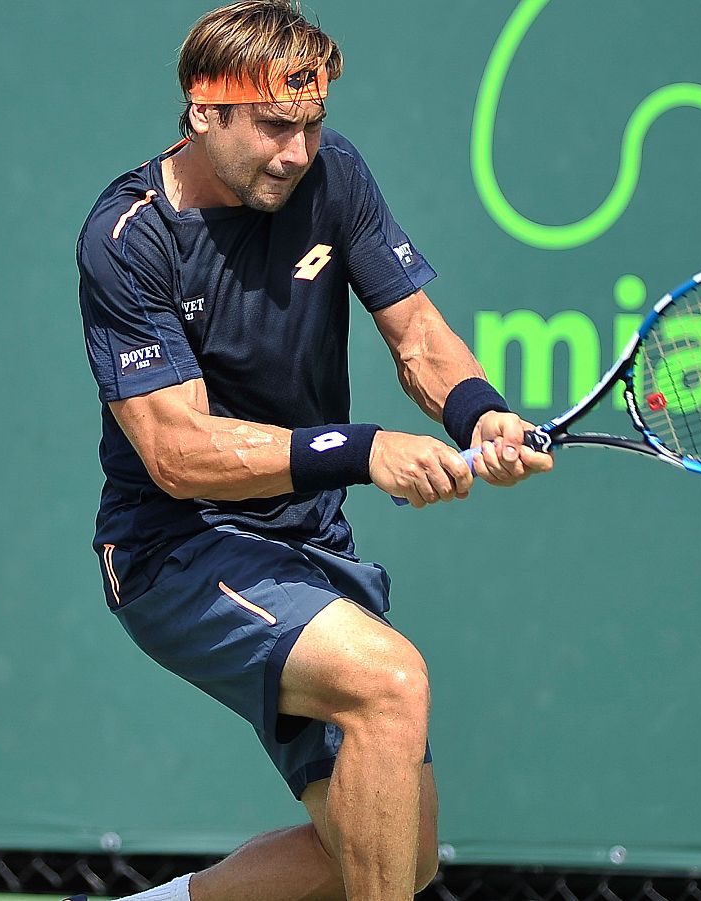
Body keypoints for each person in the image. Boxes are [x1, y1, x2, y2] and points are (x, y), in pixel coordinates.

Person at [74, 2, 553, 900]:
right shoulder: (129, 237)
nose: (297, 152)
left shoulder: (336, 177)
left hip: (308, 542)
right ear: (203, 110)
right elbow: (177, 451)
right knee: (390, 681)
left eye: (312, 123)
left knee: (392, 850)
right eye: (272, 126)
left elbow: (417, 334)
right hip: (177, 547)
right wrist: (362, 449)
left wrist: (479, 413)